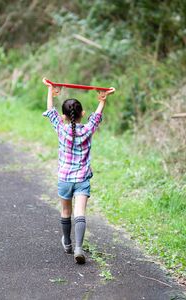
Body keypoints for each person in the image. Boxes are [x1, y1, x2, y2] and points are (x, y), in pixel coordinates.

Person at [42, 77, 115, 264]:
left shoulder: (60, 128)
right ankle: (79, 248)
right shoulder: (88, 130)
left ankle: (67, 242)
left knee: (66, 210)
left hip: (65, 178)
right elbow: (96, 118)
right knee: (80, 212)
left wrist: (51, 90)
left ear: (64, 116)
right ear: (82, 113)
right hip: (82, 178)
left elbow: (50, 111)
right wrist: (102, 100)